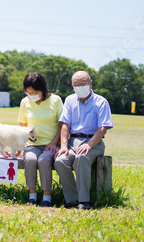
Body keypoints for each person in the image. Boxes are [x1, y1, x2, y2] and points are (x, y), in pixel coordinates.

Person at [54, 71, 113, 210]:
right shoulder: (69, 100)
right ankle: (72, 198)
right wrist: (63, 146)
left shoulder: (101, 101)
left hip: (93, 141)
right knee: (59, 161)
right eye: (76, 84)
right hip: (72, 141)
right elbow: (65, 125)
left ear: (90, 83)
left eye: (83, 83)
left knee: (82, 157)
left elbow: (103, 127)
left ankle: (84, 201)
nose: (80, 87)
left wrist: (90, 144)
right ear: (72, 86)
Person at [17, 72, 63, 207]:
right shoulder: (25, 102)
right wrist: (20, 146)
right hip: (32, 145)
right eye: (28, 92)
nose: (32, 95)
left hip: (52, 144)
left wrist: (54, 142)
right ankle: (32, 196)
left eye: (35, 92)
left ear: (43, 89)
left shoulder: (56, 100)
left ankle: (47, 197)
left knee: (44, 161)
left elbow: (63, 125)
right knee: (30, 160)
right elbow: (22, 126)